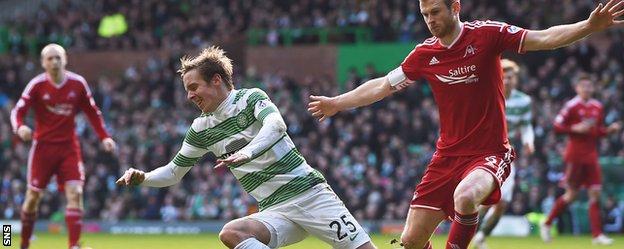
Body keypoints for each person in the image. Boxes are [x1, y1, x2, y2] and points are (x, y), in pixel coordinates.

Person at [307, 0, 624, 248]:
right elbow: (382, 86)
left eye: (435, 12)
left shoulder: (487, 35)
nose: (430, 20)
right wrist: (336, 103)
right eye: (424, 14)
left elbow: (542, 39)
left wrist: (588, 26)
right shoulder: (424, 54)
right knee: (410, 241)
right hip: (446, 158)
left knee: (465, 197)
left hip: (489, 153)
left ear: (455, 7)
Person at [116, 46, 376, 249]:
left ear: (216, 80)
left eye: (194, 87)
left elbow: (276, 125)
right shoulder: (201, 128)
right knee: (232, 233)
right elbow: (174, 172)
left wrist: (248, 151)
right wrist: (144, 178)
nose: (189, 96)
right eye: (186, 90)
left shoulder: (250, 98)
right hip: (274, 209)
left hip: (310, 195)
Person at [10, 43, 117, 249]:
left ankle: (74, 245)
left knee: (75, 192)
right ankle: (23, 243)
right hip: (42, 149)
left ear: (65, 60)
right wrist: (20, 127)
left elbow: (93, 112)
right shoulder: (36, 85)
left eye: (58, 57)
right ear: (43, 63)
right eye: (50, 58)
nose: (54, 61)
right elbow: (17, 111)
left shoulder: (78, 84)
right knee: (33, 197)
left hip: (69, 148)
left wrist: (105, 136)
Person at [541, 75, 621, 245]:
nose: (586, 89)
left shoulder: (597, 107)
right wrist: (574, 128)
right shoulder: (571, 106)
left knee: (596, 193)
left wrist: (609, 130)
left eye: (589, 86)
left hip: (591, 156)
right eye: (583, 86)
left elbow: (596, 132)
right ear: (577, 88)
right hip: (574, 156)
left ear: (593, 88)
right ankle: (547, 223)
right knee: (571, 195)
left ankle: (597, 235)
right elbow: (556, 126)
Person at [472, 59, 535, 249]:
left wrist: (528, 141)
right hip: (485, 153)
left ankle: (480, 237)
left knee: (502, 203)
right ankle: (467, 232)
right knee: (485, 200)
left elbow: (526, 126)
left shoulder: (523, 101)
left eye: (511, 77)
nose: (507, 80)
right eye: (504, 76)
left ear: (516, 79)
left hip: (507, 156)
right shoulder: (489, 95)